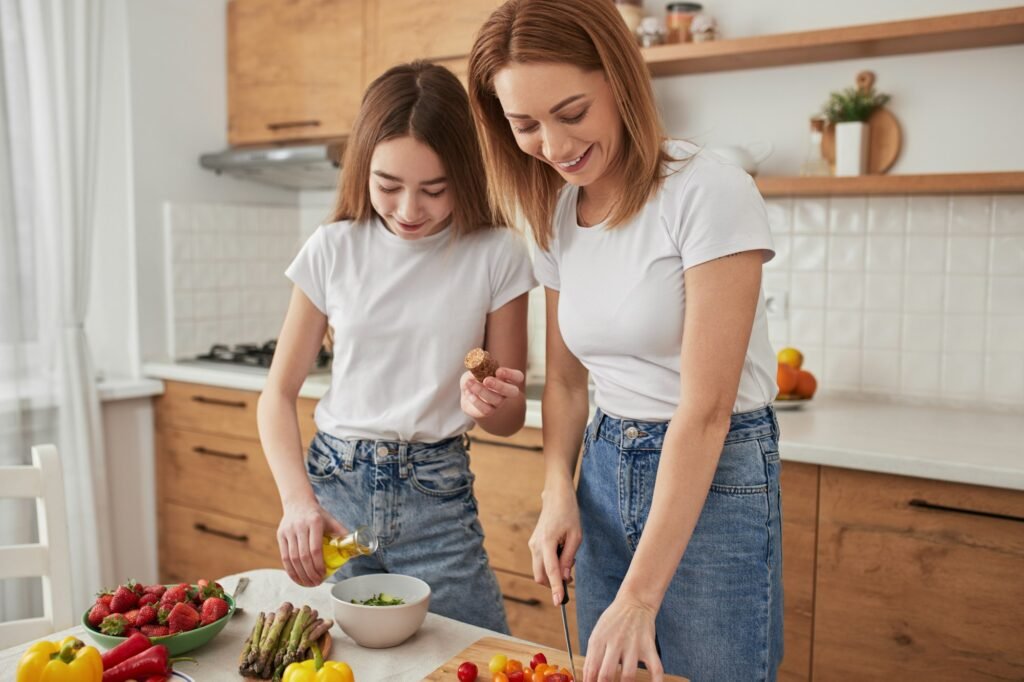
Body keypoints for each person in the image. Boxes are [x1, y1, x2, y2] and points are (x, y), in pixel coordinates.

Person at [468, 1, 782, 679]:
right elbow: (567, 381)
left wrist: (641, 594)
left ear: (619, 78)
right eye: (525, 125)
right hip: (606, 471)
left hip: (715, 471)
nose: (553, 146)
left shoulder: (708, 192)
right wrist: (559, 489)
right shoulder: (557, 213)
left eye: (572, 112)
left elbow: (706, 411)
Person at [256, 61, 537, 634]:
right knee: (334, 658)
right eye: (388, 186)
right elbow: (276, 395)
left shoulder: (497, 253)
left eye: (435, 189)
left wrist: (489, 403)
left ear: (464, 172)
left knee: (476, 656)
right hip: (335, 496)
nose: (410, 210)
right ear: (363, 168)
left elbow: (509, 419)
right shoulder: (332, 248)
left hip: (436, 497)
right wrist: (297, 504)